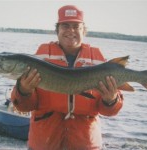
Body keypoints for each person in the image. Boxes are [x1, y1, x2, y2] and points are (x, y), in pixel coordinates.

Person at [11, 5, 123, 150]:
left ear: (84, 30)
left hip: (85, 143)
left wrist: (111, 100)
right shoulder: (41, 57)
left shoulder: (98, 59)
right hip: (44, 143)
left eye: (76, 26)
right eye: (65, 26)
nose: (71, 31)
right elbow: (24, 106)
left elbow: (110, 111)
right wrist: (23, 91)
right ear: (57, 30)